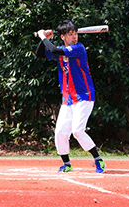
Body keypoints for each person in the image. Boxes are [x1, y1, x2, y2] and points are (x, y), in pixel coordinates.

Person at [36, 20, 106, 173]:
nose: (75, 37)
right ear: (63, 37)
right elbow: (40, 54)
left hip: (84, 96)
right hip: (68, 99)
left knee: (78, 131)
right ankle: (66, 164)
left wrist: (42, 37)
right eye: (70, 35)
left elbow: (53, 50)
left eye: (75, 34)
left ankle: (98, 159)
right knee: (60, 132)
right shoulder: (61, 51)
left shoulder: (78, 48)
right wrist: (44, 39)